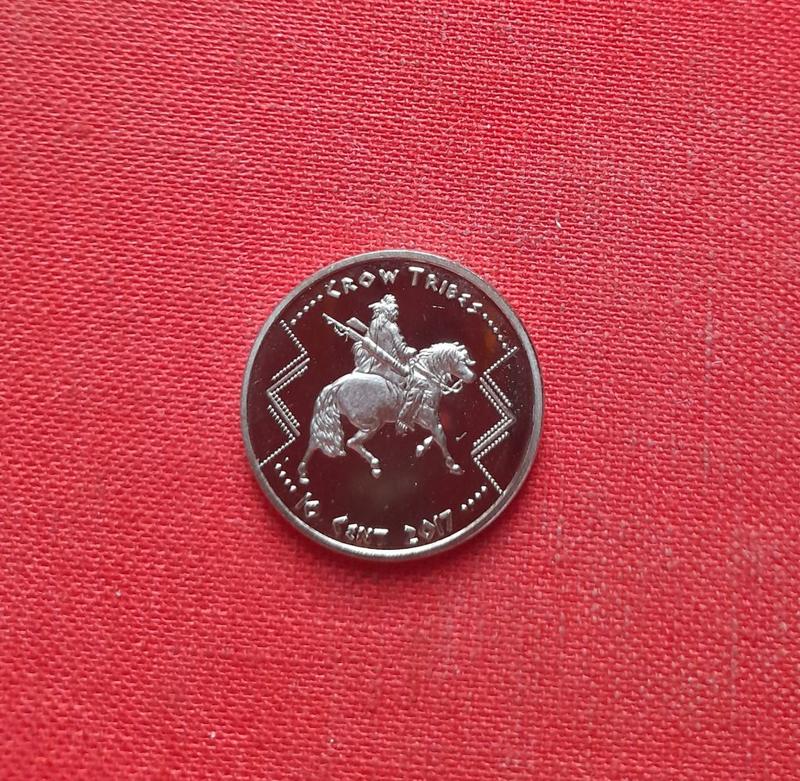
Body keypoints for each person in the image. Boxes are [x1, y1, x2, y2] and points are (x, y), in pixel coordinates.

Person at [353, 295, 419, 433]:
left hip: (374, 364)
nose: (396, 313)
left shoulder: (374, 324)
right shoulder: (391, 326)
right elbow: (401, 349)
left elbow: (370, 342)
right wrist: (411, 352)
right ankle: (403, 419)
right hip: (392, 368)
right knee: (417, 385)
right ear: (388, 310)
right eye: (395, 310)